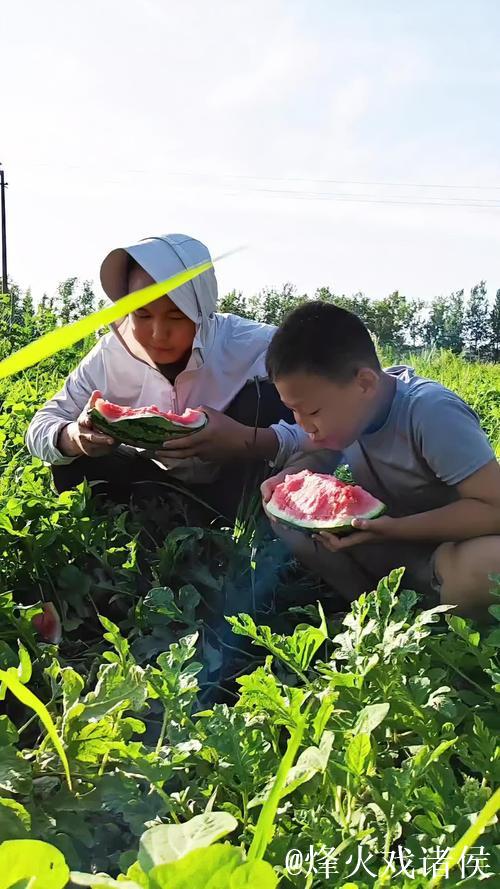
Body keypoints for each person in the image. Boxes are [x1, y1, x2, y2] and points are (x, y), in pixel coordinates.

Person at [26, 233, 295, 521]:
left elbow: (330, 426)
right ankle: (150, 532)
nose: (158, 334)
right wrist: (74, 438)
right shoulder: (109, 356)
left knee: (267, 396)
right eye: (141, 315)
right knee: (70, 460)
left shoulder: (258, 345)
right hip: (154, 486)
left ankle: (250, 524)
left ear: (201, 308)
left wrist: (247, 439)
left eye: (176, 316)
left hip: (243, 484)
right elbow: (40, 427)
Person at [261, 301, 500, 620]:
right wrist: (287, 479)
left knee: (489, 567)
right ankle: (369, 612)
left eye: (313, 412)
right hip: (383, 549)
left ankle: (443, 621)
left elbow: (494, 507)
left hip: (448, 555)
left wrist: (394, 529)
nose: (304, 425)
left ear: (365, 383)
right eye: (294, 411)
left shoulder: (431, 413)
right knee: (286, 520)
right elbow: (319, 454)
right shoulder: (348, 415)